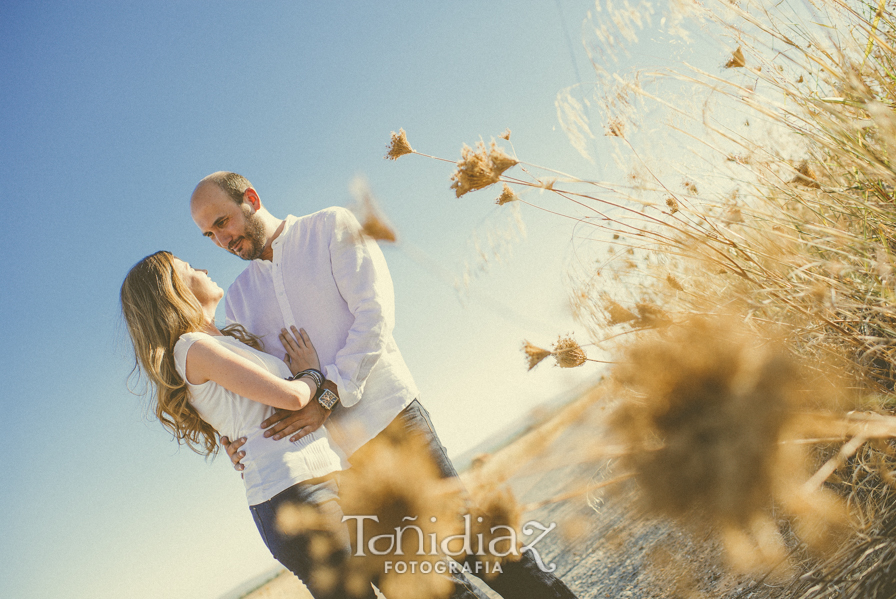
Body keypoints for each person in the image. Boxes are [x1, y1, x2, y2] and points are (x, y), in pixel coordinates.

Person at [192, 172, 578, 599]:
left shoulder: (329, 227)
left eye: (223, 222)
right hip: (330, 467)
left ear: (250, 198)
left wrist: (327, 394)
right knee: (421, 586)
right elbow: (253, 379)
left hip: (391, 422)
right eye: (210, 235)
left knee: (481, 549)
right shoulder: (240, 298)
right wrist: (235, 437)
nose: (222, 239)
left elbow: (374, 315)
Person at [120, 251, 378, 599]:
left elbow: (240, 417)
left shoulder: (215, 343)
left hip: (319, 476)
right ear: (173, 289)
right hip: (295, 493)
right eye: (189, 267)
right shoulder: (192, 347)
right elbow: (291, 398)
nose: (203, 266)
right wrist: (312, 372)